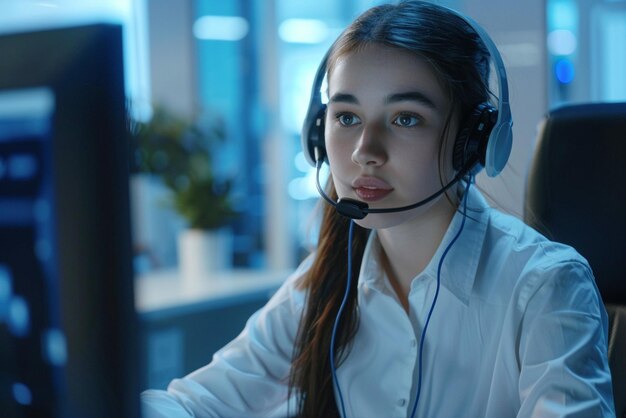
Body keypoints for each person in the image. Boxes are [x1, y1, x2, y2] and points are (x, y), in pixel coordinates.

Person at [141, 1, 615, 417]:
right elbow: (196, 402)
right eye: (346, 117)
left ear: (474, 142)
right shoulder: (326, 281)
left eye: (405, 118)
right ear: (317, 135)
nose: (365, 150)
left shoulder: (543, 286)